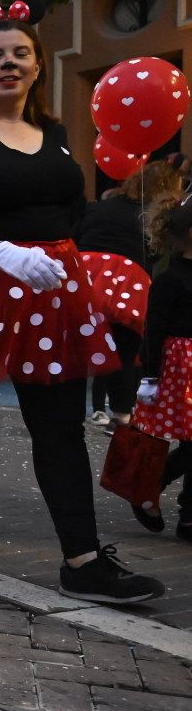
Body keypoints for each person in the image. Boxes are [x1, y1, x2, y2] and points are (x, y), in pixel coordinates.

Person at [0, 8, 167, 605]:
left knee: (59, 430)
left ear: (38, 66)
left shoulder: (58, 133)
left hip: (49, 293)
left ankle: (84, 560)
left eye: (20, 53)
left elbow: (71, 210)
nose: (9, 63)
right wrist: (0, 252)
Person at [76, 161, 179, 431]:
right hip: (127, 280)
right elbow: (159, 252)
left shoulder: (101, 206)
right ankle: (121, 416)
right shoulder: (153, 215)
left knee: (75, 348)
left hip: (84, 273)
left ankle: (68, 410)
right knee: (124, 352)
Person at [136, 200, 192, 543]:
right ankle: (152, 489)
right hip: (183, 365)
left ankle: (183, 512)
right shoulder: (171, 278)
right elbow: (153, 329)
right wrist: (151, 375)